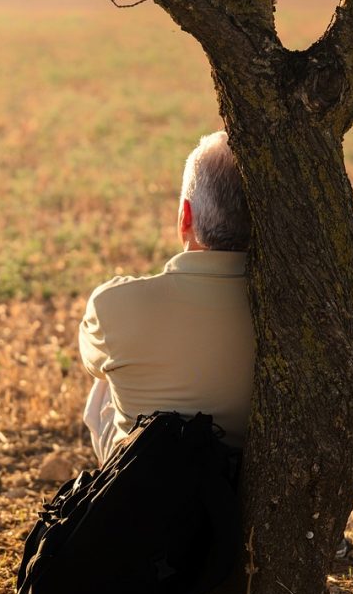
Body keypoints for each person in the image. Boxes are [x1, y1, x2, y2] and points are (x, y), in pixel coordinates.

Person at [79, 131, 255, 466]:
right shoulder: (289, 312)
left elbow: (90, 361)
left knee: (106, 377)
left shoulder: (113, 305)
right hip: (240, 489)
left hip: (145, 489)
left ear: (185, 216)